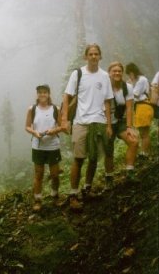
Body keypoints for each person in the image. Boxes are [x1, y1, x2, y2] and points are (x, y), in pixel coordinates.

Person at [61, 44, 113, 211]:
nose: (93, 56)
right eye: (90, 54)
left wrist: (109, 124)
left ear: (100, 56)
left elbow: (107, 101)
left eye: (96, 54)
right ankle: (73, 195)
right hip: (81, 122)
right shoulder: (78, 74)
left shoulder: (105, 76)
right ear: (86, 57)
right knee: (78, 158)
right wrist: (64, 120)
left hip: (99, 122)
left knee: (93, 158)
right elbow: (67, 96)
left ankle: (87, 189)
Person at [25, 84, 62, 212]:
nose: (42, 95)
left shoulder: (56, 108)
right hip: (38, 146)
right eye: (40, 92)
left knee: (55, 174)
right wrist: (34, 133)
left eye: (45, 92)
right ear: (37, 94)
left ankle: (55, 196)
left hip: (53, 145)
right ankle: (37, 200)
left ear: (48, 94)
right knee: (39, 174)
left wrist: (53, 130)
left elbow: (62, 126)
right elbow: (27, 126)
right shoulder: (32, 109)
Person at [104, 62, 139, 189]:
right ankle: (109, 178)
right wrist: (108, 126)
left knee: (133, 141)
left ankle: (130, 172)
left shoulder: (127, 87)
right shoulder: (105, 87)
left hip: (121, 121)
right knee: (109, 151)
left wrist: (129, 127)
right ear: (109, 73)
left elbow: (129, 108)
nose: (117, 73)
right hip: (106, 121)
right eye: (114, 71)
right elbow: (105, 107)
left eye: (119, 71)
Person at [125, 63, 153, 159]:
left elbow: (135, 94)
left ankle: (145, 153)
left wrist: (130, 84)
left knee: (144, 133)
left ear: (132, 72)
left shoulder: (141, 80)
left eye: (129, 74)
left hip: (143, 106)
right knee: (143, 132)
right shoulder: (140, 80)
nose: (129, 76)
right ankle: (145, 152)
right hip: (140, 107)